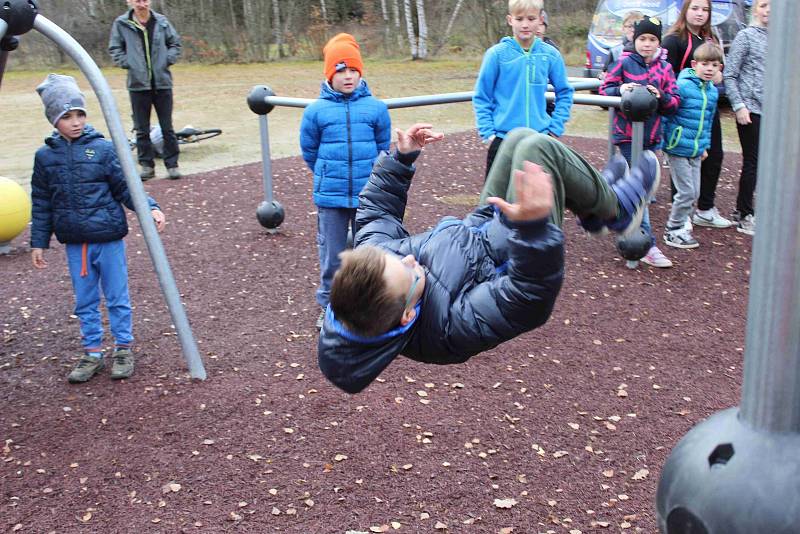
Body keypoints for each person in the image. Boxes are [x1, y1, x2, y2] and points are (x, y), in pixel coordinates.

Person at [317, 124, 660, 394]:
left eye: (396, 258)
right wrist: (534, 227)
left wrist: (401, 158)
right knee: (536, 151)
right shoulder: (449, 330)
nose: (407, 259)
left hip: (483, 223)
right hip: (523, 246)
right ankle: (616, 209)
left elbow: (375, 214)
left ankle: (593, 202)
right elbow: (528, 298)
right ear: (408, 314)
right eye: (410, 273)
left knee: (517, 139)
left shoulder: (379, 268)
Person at [30, 74, 166, 383]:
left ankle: (123, 347)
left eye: (80, 114)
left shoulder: (103, 150)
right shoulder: (45, 157)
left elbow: (125, 186)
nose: (75, 121)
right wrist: (38, 242)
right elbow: (41, 201)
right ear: (54, 119)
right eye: (66, 116)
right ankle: (92, 351)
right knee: (85, 301)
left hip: (108, 238)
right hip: (76, 243)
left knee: (117, 296)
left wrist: (151, 207)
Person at [300, 33, 392, 330]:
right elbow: (309, 150)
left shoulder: (376, 109)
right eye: (341, 71)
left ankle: (369, 304)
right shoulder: (316, 112)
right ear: (330, 74)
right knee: (333, 255)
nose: (348, 76)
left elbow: (383, 147)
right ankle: (329, 306)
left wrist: (372, 179)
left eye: (353, 70)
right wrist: (327, 174)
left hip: (367, 196)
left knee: (370, 252)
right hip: (331, 197)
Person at [600, 16, 680, 268]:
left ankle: (614, 216)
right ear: (635, 39)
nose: (647, 44)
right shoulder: (623, 62)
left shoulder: (665, 69)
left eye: (652, 39)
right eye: (642, 38)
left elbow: (675, 102)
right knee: (640, 192)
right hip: (627, 136)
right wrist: (622, 90)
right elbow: (605, 90)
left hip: (651, 136)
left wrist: (662, 96)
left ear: (659, 42)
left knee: (639, 191)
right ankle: (647, 245)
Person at [473, 0, 574, 179]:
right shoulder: (496, 55)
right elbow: (482, 96)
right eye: (519, 19)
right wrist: (488, 134)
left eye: (531, 18)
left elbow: (565, 92)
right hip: (502, 139)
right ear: (510, 20)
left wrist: (554, 128)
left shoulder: (550, 55)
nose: (525, 24)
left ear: (540, 20)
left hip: (538, 140)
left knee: (538, 202)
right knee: (497, 201)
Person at [662, 0, 732, 229]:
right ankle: (680, 216)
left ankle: (705, 209)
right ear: (685, 11)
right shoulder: (673, 40)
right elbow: (665, 74)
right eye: (695, 8)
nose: (700, 14)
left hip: (707, 107)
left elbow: (719, 70)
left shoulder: (709, 38)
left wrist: (717, 76)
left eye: (705, 10)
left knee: (714, 155)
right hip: (683, 112)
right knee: (682, 159)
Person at [109, 0, 182, 181]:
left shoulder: (162, 22)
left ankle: (172, 165)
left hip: (162, 84)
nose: (142, 4)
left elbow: (175, 44)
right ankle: (147, 166)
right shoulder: (121, 24)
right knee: (142, 129)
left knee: (167, 128)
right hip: (138, 85)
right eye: (137, 0)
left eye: (144, 0)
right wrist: (128, 63)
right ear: (130, 2)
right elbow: (115, 48)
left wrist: (167, 59)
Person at [662, 43, 723, 249]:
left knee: (694, 192)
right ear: (695, 65)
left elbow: (707, 122)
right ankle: (673, 229)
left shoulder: (712, 92)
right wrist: (665, 143)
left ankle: (681, 227)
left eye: (714, 65)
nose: (709, 69)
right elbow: (668, 114)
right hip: (678, 147)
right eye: (705, 64)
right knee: (686, 192)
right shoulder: (683, 86)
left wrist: (704, 146)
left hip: (696, 149)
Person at [724, 0, 769, 236]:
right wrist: (739, 105)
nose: (768, 10)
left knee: (772, 165)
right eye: (763, 5)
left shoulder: (785, 41)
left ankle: (767, 211)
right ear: (755, 9)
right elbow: (730, 74)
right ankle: (744, 213)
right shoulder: (746, 36)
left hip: (775, 113)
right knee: (754, 162)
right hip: (751, 110)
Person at [601, 11, 644, 79]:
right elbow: (605, 75)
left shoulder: (648, 49)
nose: (633, 29)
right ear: (623, 28)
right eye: (630, 26)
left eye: (636, 26)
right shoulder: (615, 51)